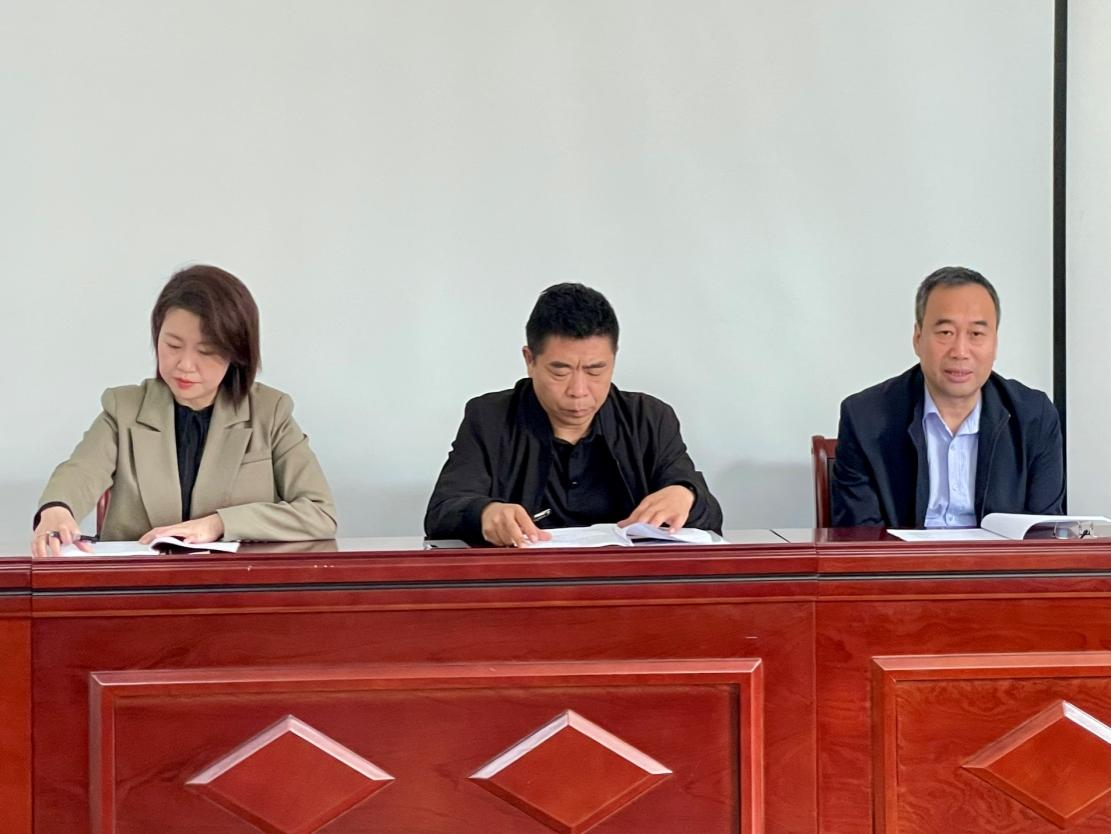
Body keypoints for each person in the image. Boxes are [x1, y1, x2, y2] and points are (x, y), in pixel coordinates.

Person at [32, 265, 337, 556]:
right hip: (141, 583)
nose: (185, 365)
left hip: (236, 584)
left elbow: (319, 513)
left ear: (237, 353)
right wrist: (58, 508)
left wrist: (218, 524)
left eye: (206, 351)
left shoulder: (270, 412)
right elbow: (82, 470)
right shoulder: (123, 409)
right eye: (173, 345)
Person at [425, 282, 723, 546]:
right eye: (560, 371)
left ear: (614, 359)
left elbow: (711, 515)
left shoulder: (649, 419)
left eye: (595, 370)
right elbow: (442, 512)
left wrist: (685, 495)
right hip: (526, 583)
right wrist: (485, 513)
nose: (579, 390)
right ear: (530, 360)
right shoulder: (490, 418)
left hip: (627, 584)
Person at [831, 266, 1064, 528]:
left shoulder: (1035, 418)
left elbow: (1042, 535)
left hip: (997, 557)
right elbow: (861, 540)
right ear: (918, 338)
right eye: (945, 333)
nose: (960, 351)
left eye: (976, 334)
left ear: (995, 343)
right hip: (903, 556)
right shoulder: (865, 418)